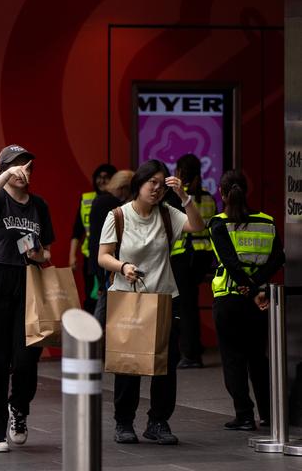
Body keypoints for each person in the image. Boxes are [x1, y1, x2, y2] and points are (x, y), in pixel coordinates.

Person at [98, 159, 205, 445]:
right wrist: (122, 267)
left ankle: (158, 422)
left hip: (165, 299)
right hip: (128, 299)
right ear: (139, 184)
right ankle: (124, 422)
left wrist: (184, 197)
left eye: (161, 184)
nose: (157, 189)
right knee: (129, 364)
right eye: (151, 183)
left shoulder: (169, 213)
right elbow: (103, 256)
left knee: (165, 365)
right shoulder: (118, 215)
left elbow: (197, 225)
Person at [0, 144, 54, 453]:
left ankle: (18, 408)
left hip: (28, 280)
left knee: (27, 355)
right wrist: (6, 174)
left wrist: (39, 254)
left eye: (27, 166)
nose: (23, 172)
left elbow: (47, 251)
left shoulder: (39, 206)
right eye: (16, 166)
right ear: (3, 169)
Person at [208, 170, 284, 431]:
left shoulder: (218, 223)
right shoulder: (267, 221)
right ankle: (268, 414)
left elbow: (229, 262)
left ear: (221, 192)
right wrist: (257, 288)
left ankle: (244, 415)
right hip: (259, 300)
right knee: (258, 359)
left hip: (229, 299)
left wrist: (247, 288)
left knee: (233, 359)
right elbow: (278, 258)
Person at [164, 154, 217, 369]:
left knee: (185, 307)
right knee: (189, 305)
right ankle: (193, 348)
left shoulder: (175, 199)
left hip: (183, 258)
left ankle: (191, 354)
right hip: (203, 258)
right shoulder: (208, 198)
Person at [88, 170, 134, 327]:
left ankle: (93, 346)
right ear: (124, 188)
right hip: (107, 265)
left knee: (103, 306)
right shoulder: (111, 204)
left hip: (99, 261)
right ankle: (91, 346)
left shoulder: (100, 200)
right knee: (103, 307)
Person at [69, 164, 117, 312]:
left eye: (106, 178)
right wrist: (72, 256)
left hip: (112, 256)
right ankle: (91, 331)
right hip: (90, 257)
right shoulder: (87, 199)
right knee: (92, 296)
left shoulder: (118, 200)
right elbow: (77, 231)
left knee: (109, 297)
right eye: (99, 177)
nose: (102, 181)